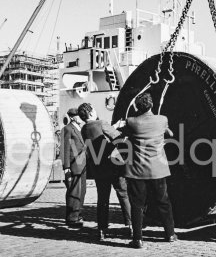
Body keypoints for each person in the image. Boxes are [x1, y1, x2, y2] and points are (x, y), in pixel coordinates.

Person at [120, 93, 176, 249]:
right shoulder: (162, 119)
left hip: (137, 170)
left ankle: (137, 239)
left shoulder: (131, 121)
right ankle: (170, 234)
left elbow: (124, 133)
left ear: (137, 107)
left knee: (137, 204)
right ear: (151, 105)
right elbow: (170, 134)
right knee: (163, 202)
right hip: (158, 169)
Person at [77, 103, 132, 242]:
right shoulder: (101, 123)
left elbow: (97, 141)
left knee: (102, 199)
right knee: (123, 194)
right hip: (112, 166)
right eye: (94, 110)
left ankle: (101, 229)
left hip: (98, 169)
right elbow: (117, 138)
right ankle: (131, 226)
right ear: (90, 113)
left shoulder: (84, 128)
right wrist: (119, 128)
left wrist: (114, 126)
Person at [60, 108, 86, 228]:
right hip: (73, 165)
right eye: (78, 116)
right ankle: (72, 218)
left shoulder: (82, 129)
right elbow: (64, 148)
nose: (81, 117)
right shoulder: (68, 129)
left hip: (82, 165)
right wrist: (66, 167)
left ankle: (78, 214)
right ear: (72, 117)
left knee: (82, 191)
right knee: (74, 191)